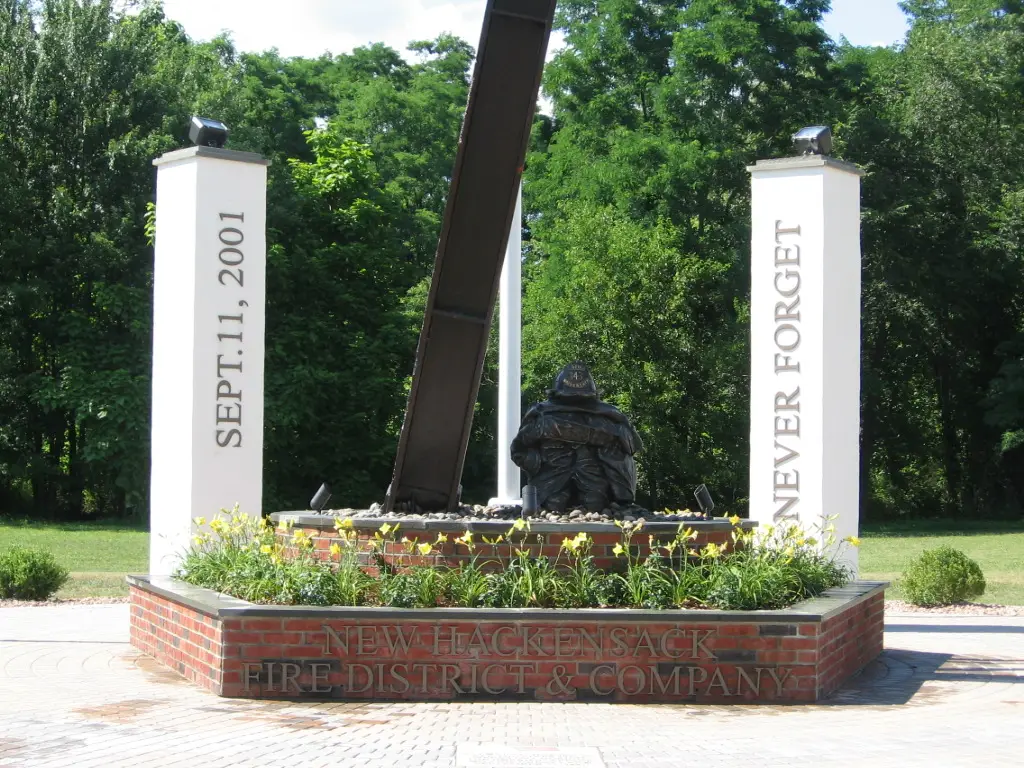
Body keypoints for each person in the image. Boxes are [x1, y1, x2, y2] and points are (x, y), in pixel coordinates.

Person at [511, 362, 643, 512]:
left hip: (592, 475)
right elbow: (519, 449)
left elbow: (629, 445)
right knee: (554, 503)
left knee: (595, 503)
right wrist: (537, 463)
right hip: (553, 474)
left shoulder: (611, 417)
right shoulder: (540, 415)